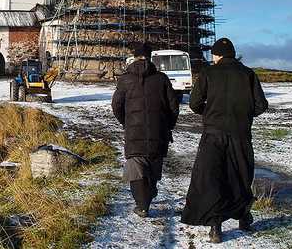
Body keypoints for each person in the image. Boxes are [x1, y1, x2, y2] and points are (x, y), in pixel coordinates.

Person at [181, 38, 269, 243]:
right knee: (240, 176)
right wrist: (243, 116)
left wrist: (209, 113)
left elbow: (194, 104)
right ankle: (244, 217)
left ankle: (215, 227)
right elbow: (261, 105)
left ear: (217, 54)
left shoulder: (208, 73)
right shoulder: (248, 74)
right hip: (240, 134)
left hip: (213, 134)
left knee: (213, 178)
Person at [112, 42, 180, 218]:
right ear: (150, 58)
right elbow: (174, 107)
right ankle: (150, 194)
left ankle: (142, 205)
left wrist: (126, 123)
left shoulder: (125, 79)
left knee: (136, 168)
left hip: (134, 132)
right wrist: (168, 125)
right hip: (158, 132)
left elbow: (116, 106)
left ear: (134, 57)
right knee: (154, 166)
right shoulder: (162, 79)